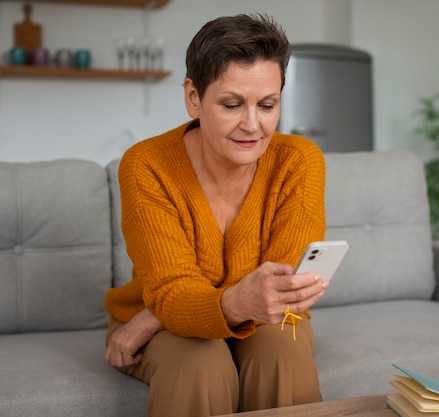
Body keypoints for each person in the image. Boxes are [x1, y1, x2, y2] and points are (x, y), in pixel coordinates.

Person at [103, 13, 329, 416]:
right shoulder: (146, 165)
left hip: (240, 318)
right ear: (193, 97)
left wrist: (153, 315)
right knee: (199, 363)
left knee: (282, 351)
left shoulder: (299, 161)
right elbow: (173, 288)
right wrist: (172, 308)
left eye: (267, 105)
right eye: (231, 105)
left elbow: (279, 282)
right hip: (175, 320)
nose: (252, 125)